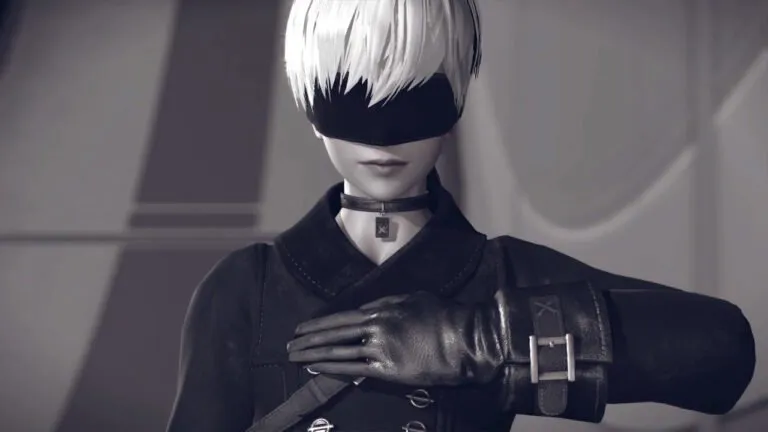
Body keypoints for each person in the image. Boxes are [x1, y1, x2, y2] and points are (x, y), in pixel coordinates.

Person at [166, 1, 756, 431]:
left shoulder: (499, 275)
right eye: (348, 96)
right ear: (311, 103)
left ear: (453, 104)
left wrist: (481, 340)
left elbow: (721, 352)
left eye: (415, 97)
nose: (382, 138)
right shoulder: (247, 288)